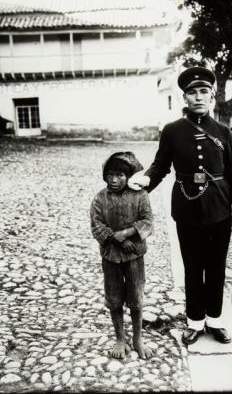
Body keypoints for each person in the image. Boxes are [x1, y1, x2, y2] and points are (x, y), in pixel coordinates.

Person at [128, 66, 232, 346]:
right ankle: (195, 322)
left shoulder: (224, 132)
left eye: (203, 92)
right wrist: (145, 180)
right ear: (184, 97)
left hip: (219, 209)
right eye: (192, 92)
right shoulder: (172, 131)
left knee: (216, 267)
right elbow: (161, 165)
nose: (198, 97)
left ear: (212, 96)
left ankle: (215, 321)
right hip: (187, 208)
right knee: (192, 267)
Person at [90, 151, 154, 359]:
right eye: (110, 175)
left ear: (128, 177)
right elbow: (96, 225)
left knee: (136, 297)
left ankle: (137, 338)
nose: (114, 180)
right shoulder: (100, 198)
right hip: (110, 256)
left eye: (119, 175)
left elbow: (147, 221)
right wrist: (115, 238)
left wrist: (127, 233)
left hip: (134, 256)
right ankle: (120, 337)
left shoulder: (140, 196)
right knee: (114, 298)